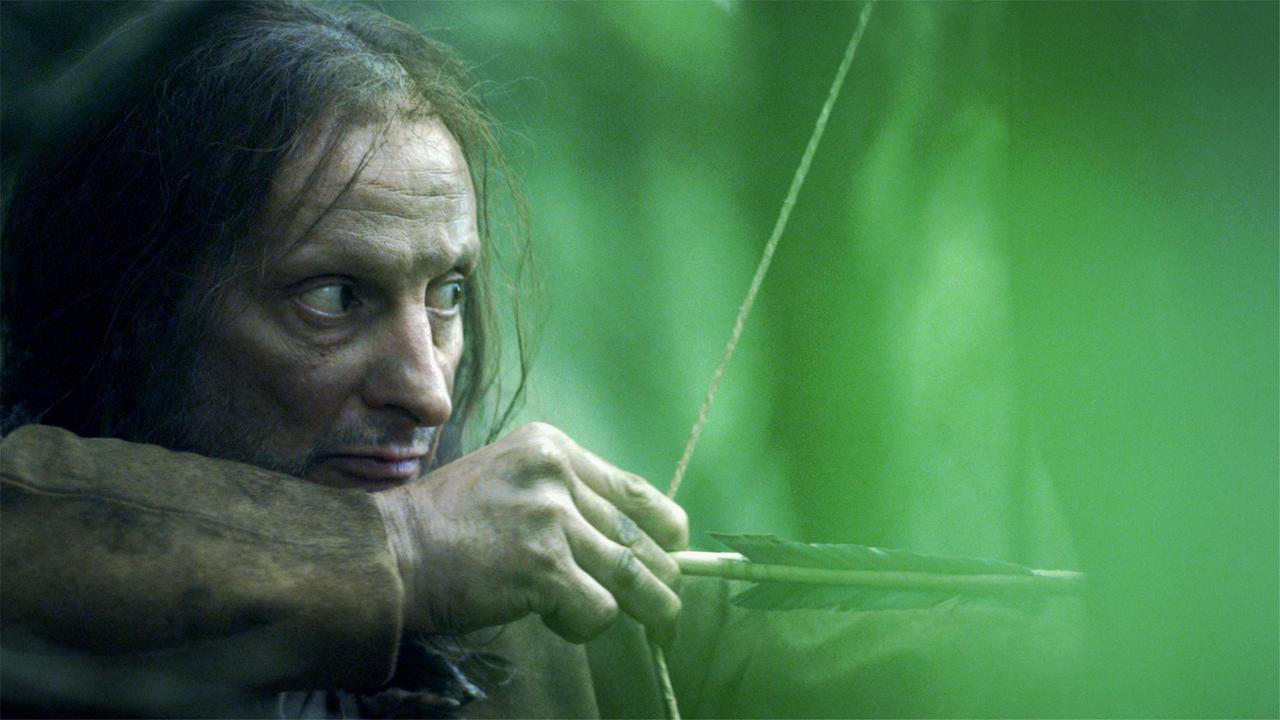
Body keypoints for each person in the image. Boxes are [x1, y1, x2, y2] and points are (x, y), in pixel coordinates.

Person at [0, 2, 1083, 717]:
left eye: (448, 295)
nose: (427, 388)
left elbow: (921, 672)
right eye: (334, 297)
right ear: (132, 309)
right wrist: (406, 548)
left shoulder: (540, 632)